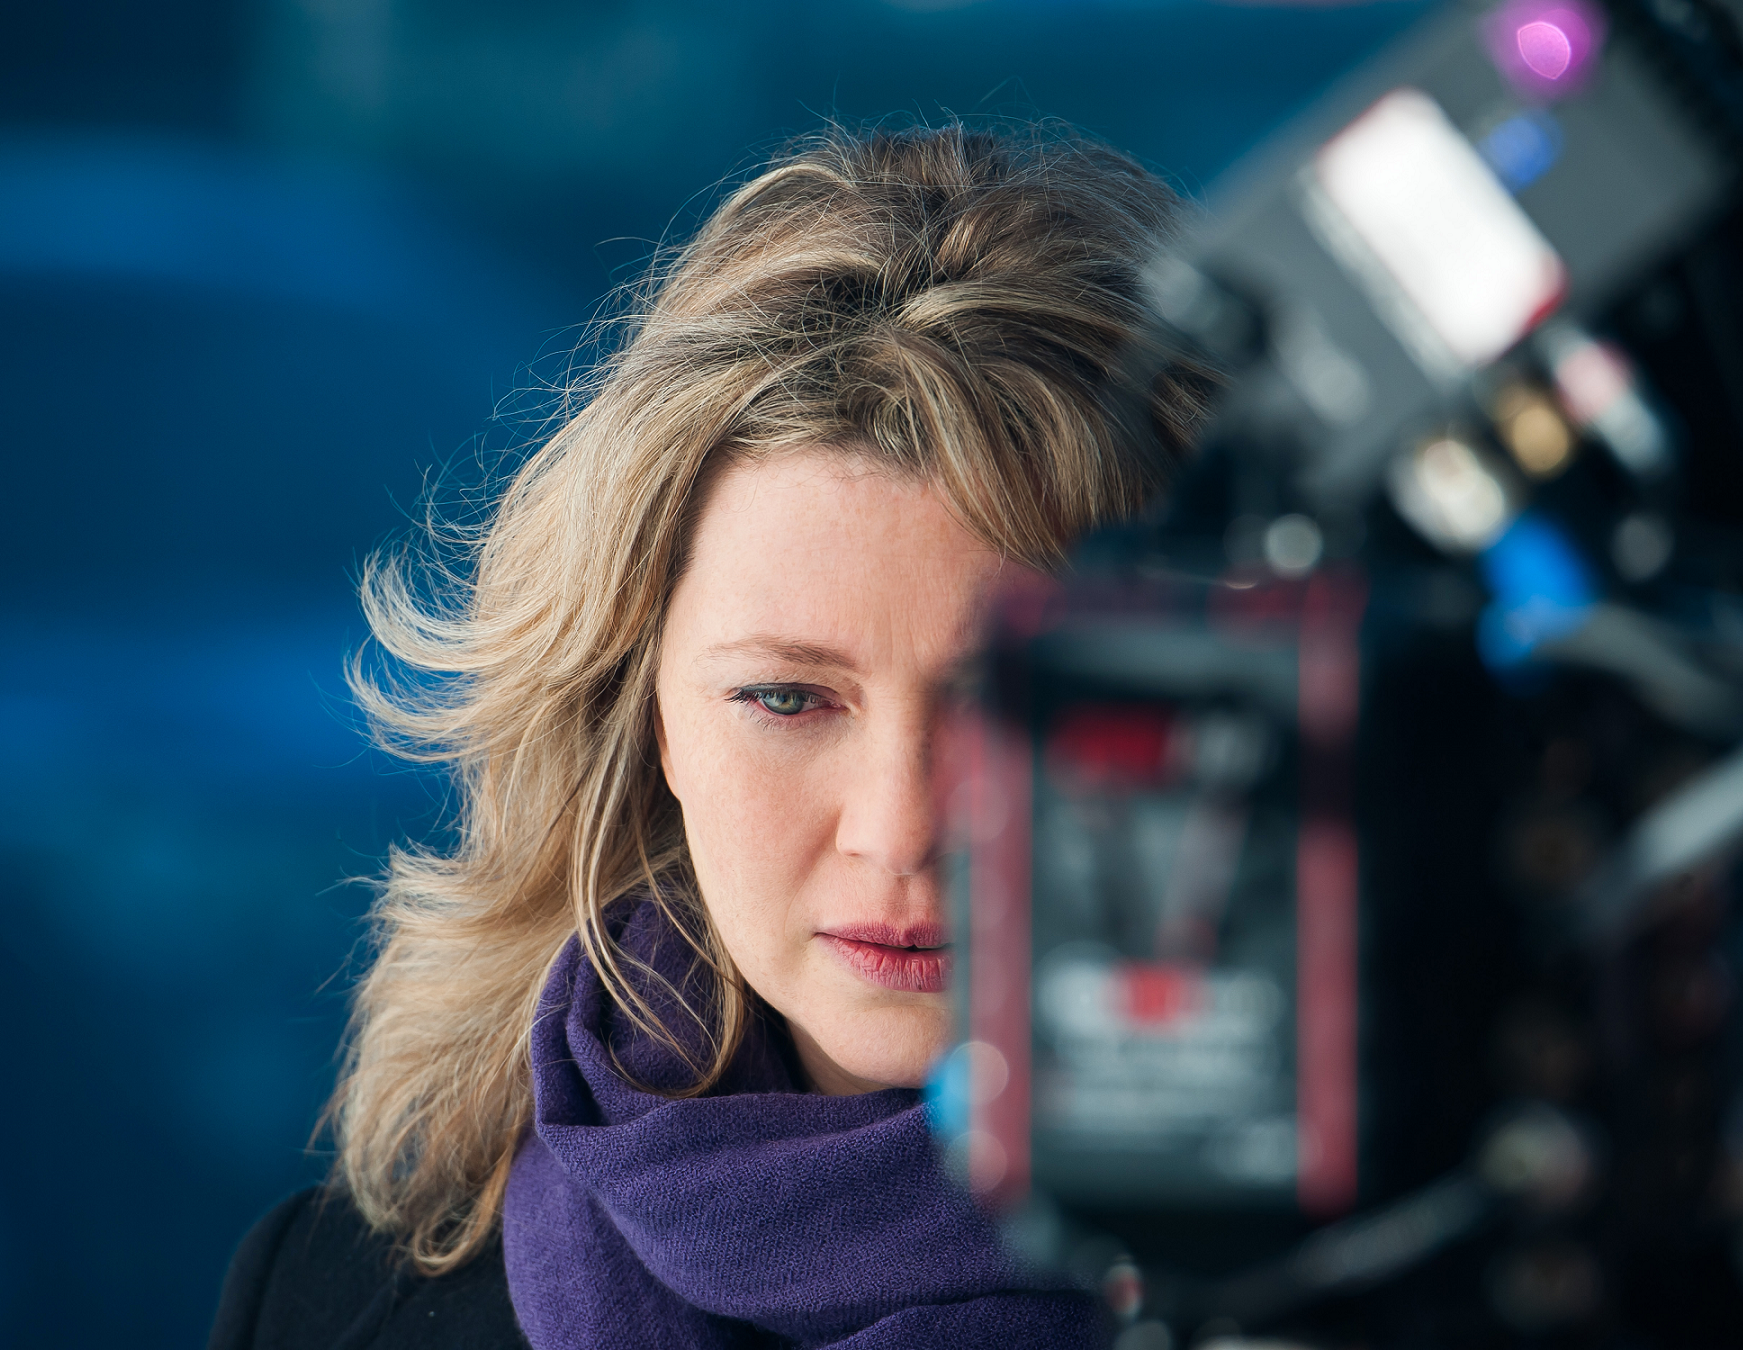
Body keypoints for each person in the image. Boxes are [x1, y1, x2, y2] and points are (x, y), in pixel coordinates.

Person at [208, 120, 1210, 1350]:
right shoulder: (324, 1306)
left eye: (1018, 701)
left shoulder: (1413, 1284)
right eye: (787, 698)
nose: (901, 831)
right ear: (649, 721)